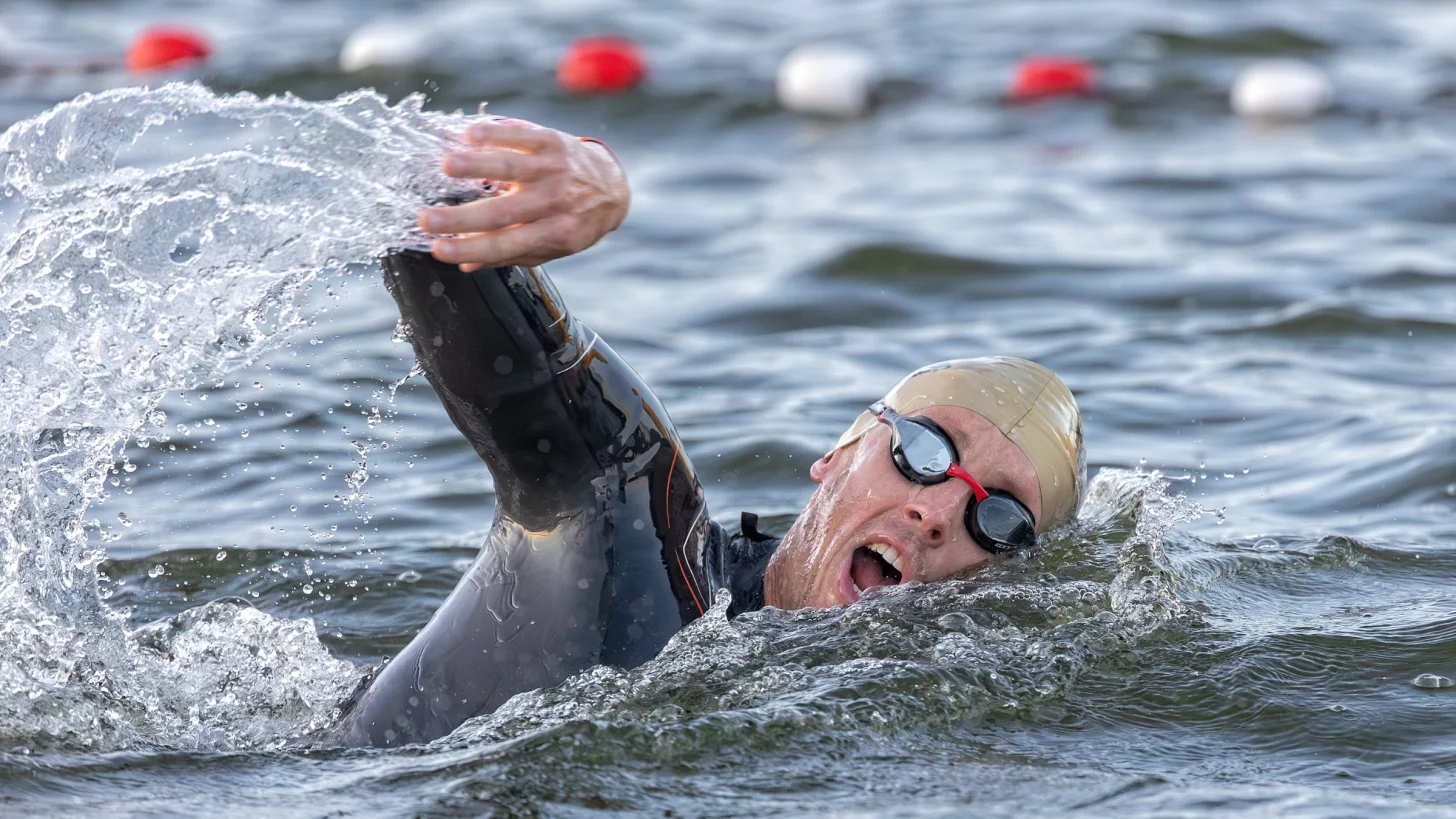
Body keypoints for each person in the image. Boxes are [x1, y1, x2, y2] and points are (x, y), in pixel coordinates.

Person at [326, 119, 1085, 748]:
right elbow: (421, 202)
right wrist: (573, 175)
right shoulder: (635, 543)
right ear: (840, 455)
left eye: (1001, 517)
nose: (939, 510)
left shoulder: (917, 725)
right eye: (924, 451)